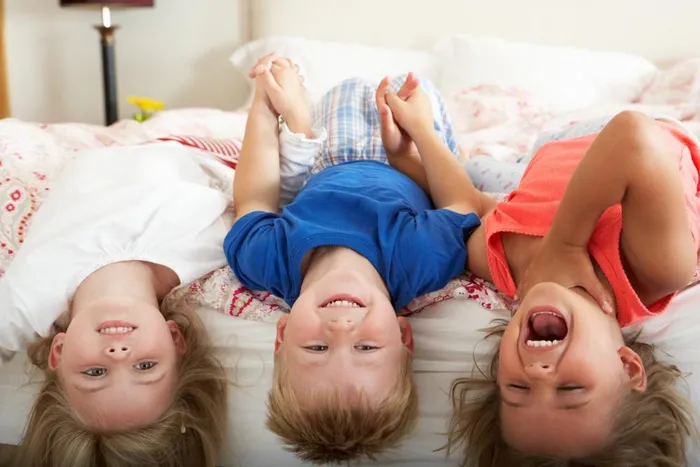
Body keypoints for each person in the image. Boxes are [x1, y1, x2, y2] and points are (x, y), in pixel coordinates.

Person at [382, 94, 700, 466]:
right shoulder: (655, 267)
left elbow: (472, 203)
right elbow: (632, 134)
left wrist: (414, 142)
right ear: (628, 366)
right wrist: (566, 243)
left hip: (548, 153)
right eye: (570, 389)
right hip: (649, 135)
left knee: (484, 172)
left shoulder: (498, 261)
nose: (538, 372)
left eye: (518, 387)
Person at [223, 56, 487, 463]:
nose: (341, 329)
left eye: (316, 348)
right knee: (416, 99)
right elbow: (462, 203)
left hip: (328, 155)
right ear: (403, 336)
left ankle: (297, 115)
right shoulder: (418, 258)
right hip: (411, 159)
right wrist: (421, 131)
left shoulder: (263, 260)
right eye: (366, 347)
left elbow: (254, 197)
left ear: (282, 334)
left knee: (336, 91)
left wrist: (264, 104)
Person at [0, 140, 231, 466]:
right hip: (190, 144)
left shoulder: (25, 302)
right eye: (145, 366)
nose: (119, 353)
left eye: (95, 372)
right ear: (175, 338)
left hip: (75, 148)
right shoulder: (215, 248)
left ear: (58, 353)